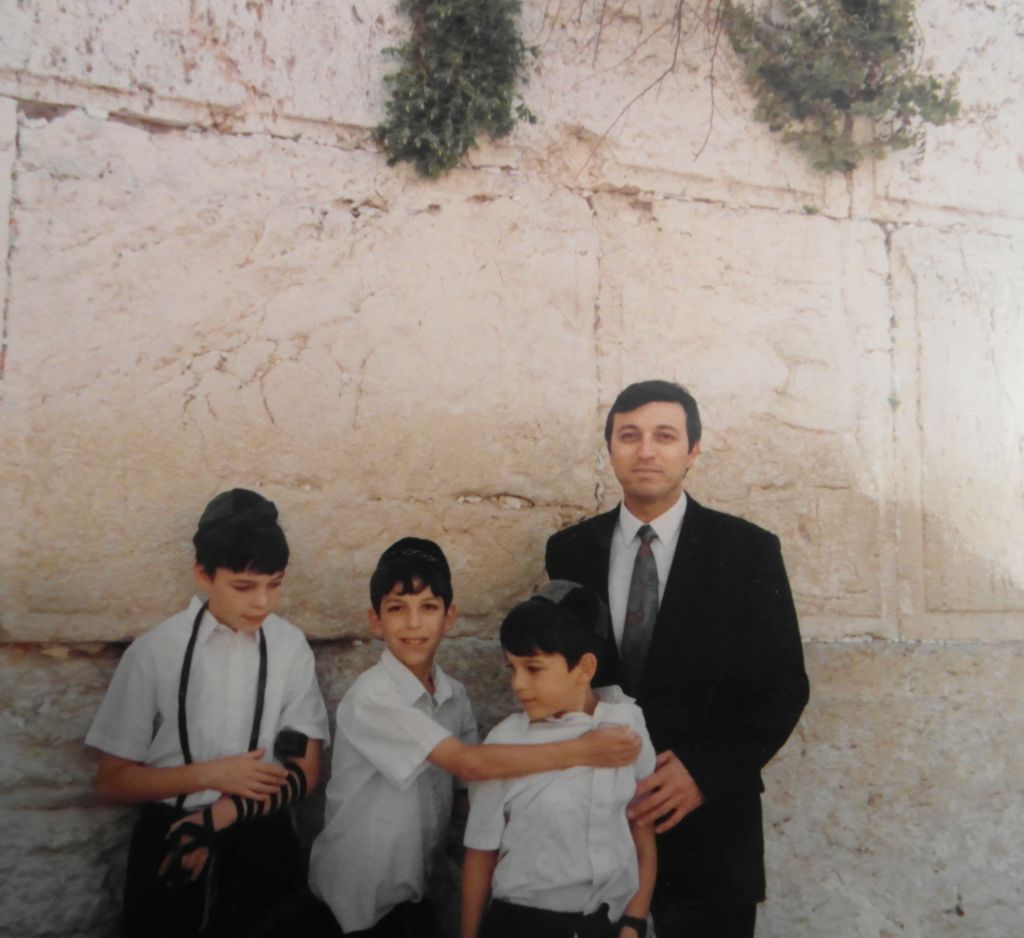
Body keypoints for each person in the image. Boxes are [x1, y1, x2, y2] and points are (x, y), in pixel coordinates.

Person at [545, 380, 810, 938]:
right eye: (629, 435)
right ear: (609, 447)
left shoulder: (747, 551)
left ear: (692, 450)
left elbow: (782, 687)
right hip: (602, 823)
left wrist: (703, 773)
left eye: (665, 436)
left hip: (711, 824)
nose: (646, 451)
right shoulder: (569, 550)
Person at [307, 538, 643, 938]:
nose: (413, 624)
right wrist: (582, 751)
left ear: (449, 616)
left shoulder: (454, 698)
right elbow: (468, 762)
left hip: (413, 896)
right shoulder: (373, 697)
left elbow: (472, 794)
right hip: (355, 902)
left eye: (428, 607)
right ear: (375, 620)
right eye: (397, 609)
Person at [85, 488, 330, 938]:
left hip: (260, 836)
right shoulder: (156, 652)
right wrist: (211, 775)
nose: (262, 602)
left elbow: (305, 770)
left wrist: (213, 818)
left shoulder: (289, 647)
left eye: (274, 584)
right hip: (168, 841)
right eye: (244, 586)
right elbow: (112, 780)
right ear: (203, 573)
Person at [461, 581, 657, 938]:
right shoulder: (506, 741)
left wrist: (634, 921)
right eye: (512, 668)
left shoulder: (626, 724)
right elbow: (480, 851)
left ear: (584, 667)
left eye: (533, 669)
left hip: (607, 926)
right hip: (524, 925)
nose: (518, 684)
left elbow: (640, 827)